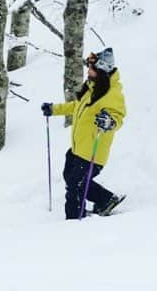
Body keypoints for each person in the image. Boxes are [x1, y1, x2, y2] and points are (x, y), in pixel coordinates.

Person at [42, 47, 126, 219]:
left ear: (102, 70)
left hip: (93, 152)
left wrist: (109, 122)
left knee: (75, 184)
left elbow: (119, 116)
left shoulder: (111, 92)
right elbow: (76, 106)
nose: (88, 71)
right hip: (78, 147)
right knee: (71, 177)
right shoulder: (92, 87)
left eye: (92, 68)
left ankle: (74, 218)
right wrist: (53, 109)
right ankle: (105, 199)